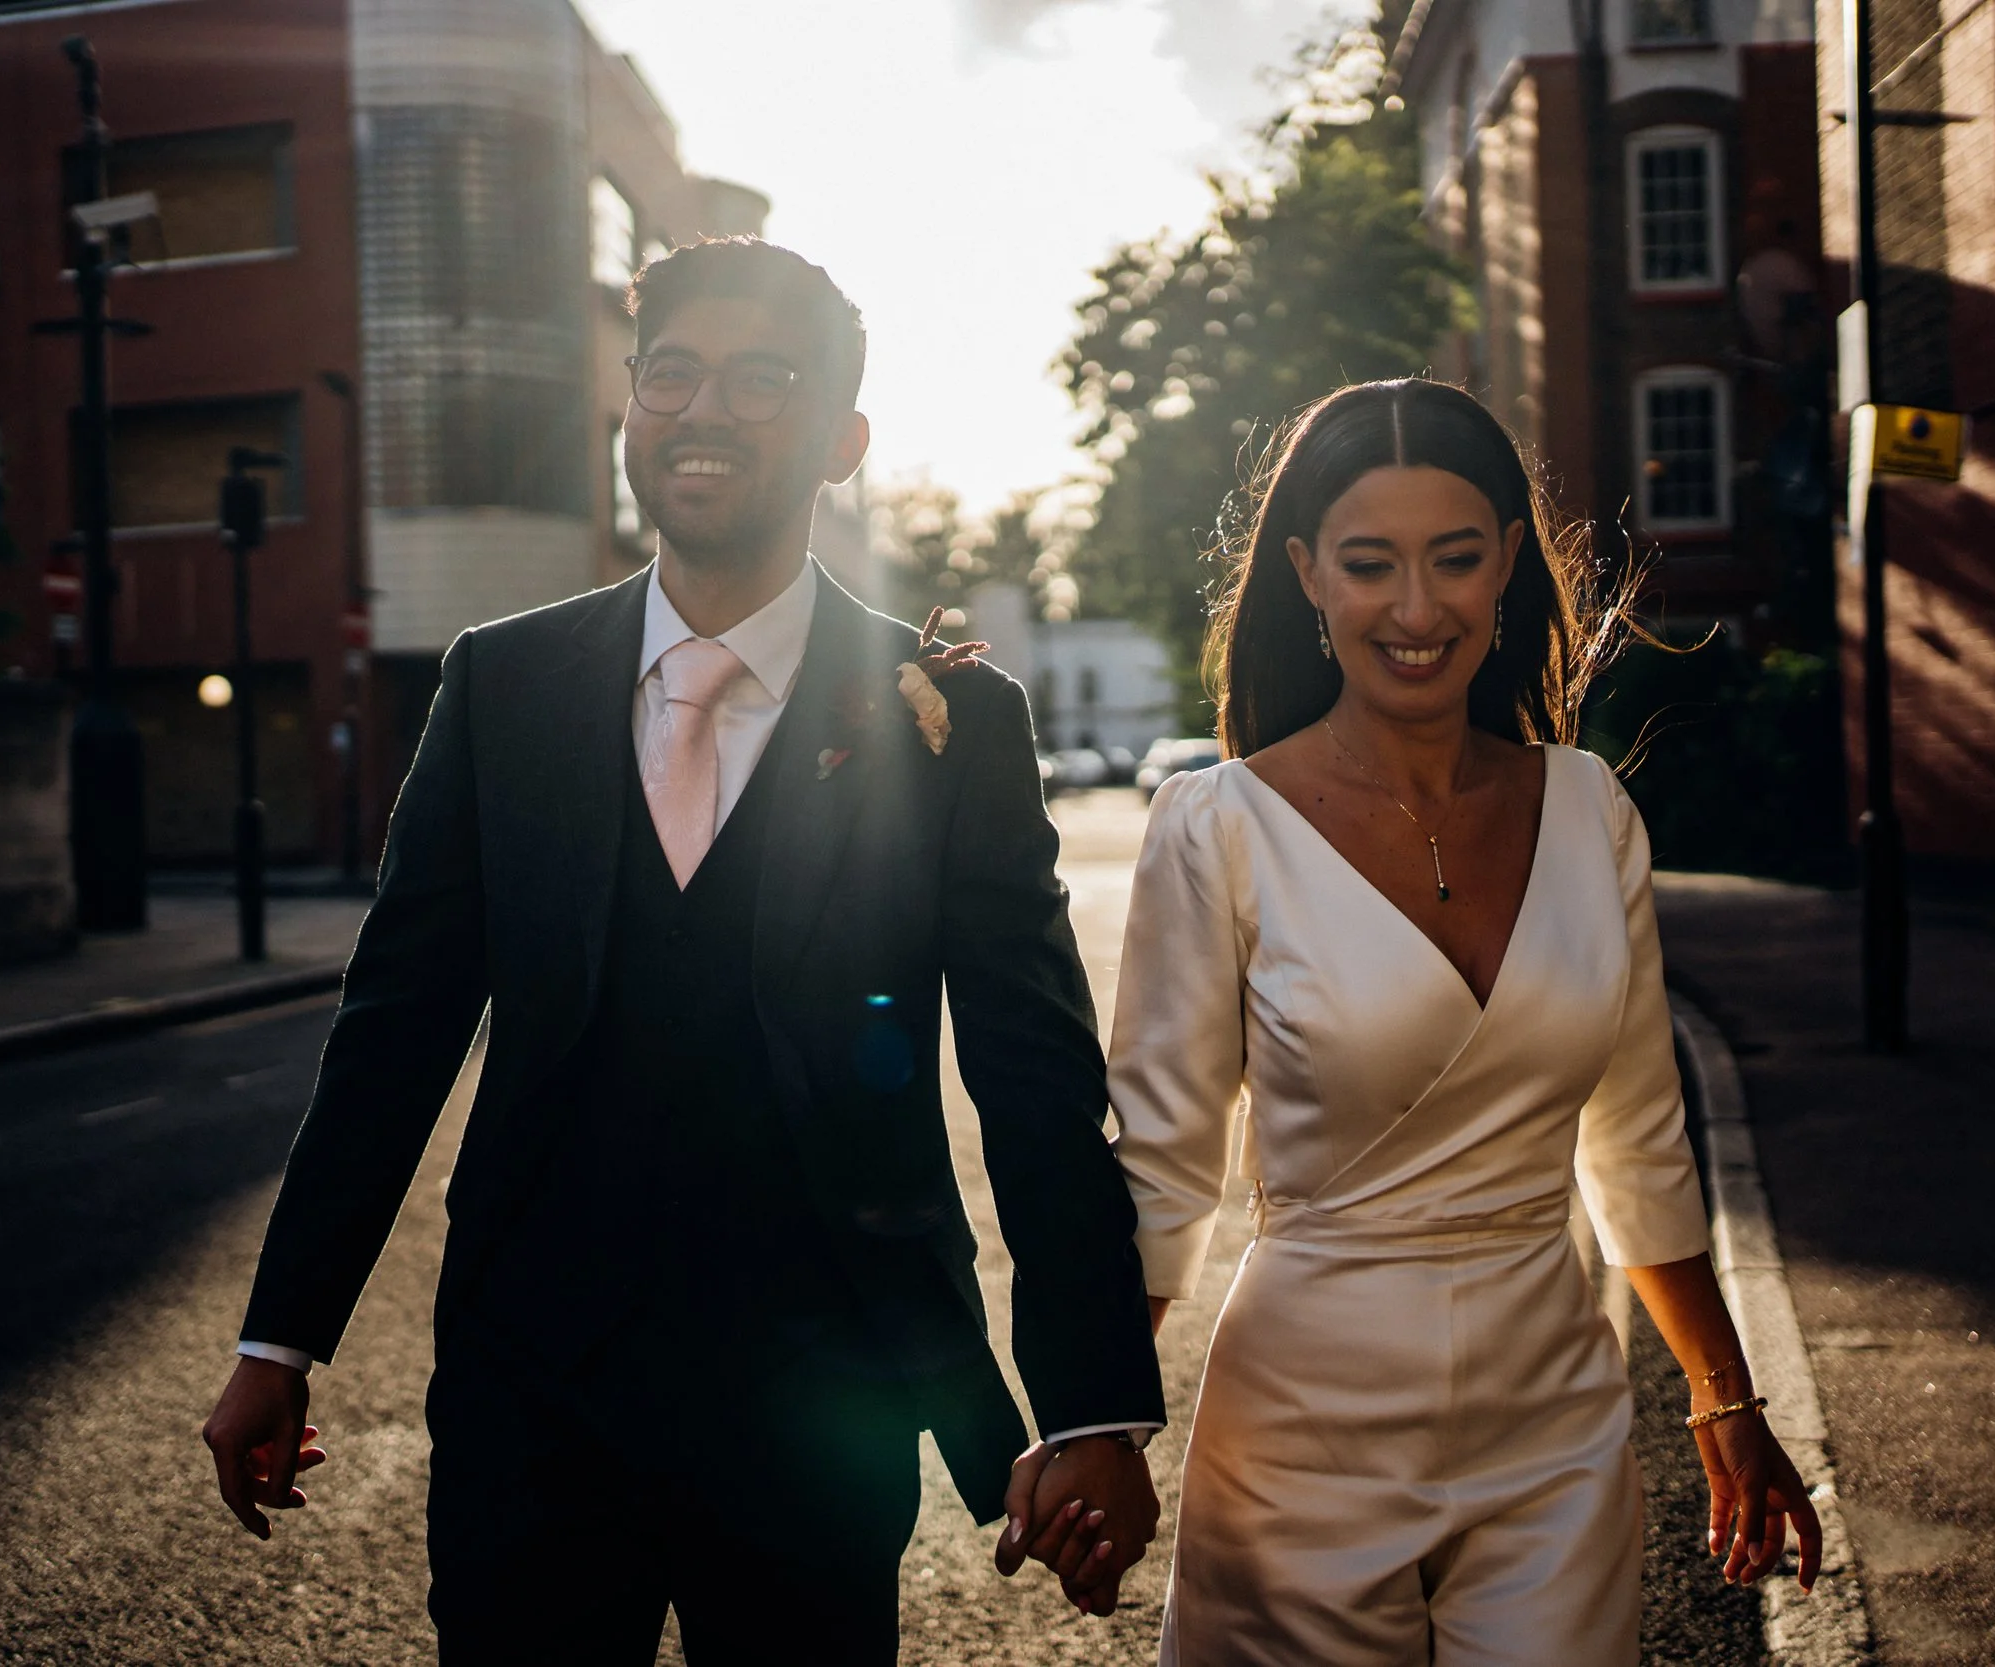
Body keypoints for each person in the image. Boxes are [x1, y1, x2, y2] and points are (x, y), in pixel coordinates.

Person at [200, 238, 1164, 1663]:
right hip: (532, 1392)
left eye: (762, 380)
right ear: (631, 409)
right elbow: (393, 1028)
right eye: (672, 373)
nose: (703, 409)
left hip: (819, 1404)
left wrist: (1090, 1405)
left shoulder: (956, 723)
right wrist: (281, 1335)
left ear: (843, 439)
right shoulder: (501, 684)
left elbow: (1031, 1075)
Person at [1108, 378, 1823, 1663]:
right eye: (1369, 564)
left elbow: (1640, 1139)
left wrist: (1725, 1400)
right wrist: (1094, 1419)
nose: (1417, 608)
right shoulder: (1216, 826)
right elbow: (1163, 1168)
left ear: (1505, 559)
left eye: (1452, 558)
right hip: (1299, 1433)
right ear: (1307, 575)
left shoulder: (1592, 808)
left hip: (1551, 1420)